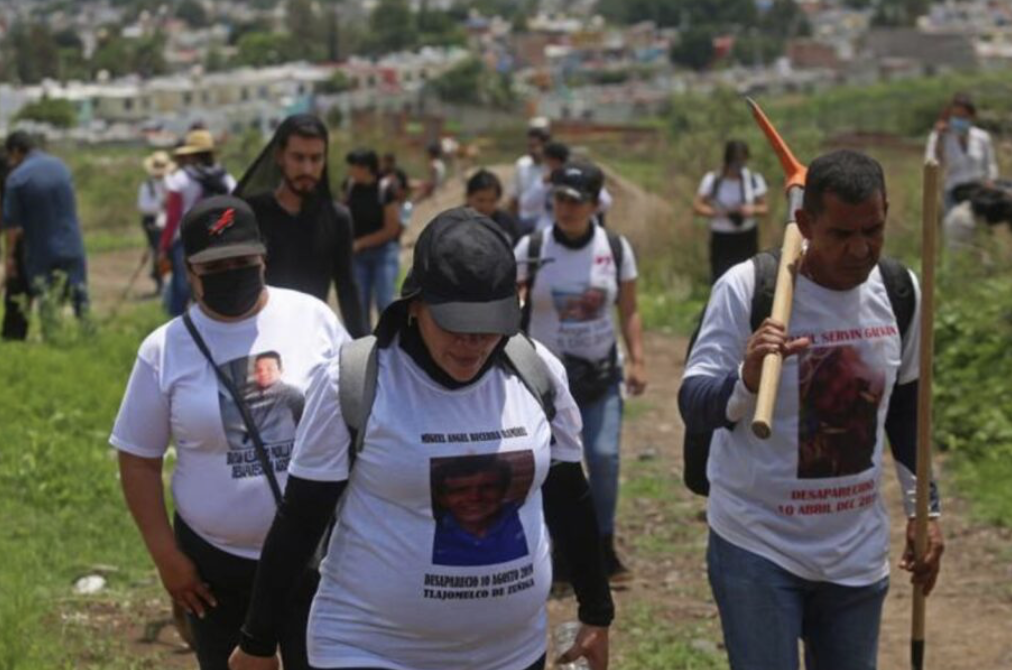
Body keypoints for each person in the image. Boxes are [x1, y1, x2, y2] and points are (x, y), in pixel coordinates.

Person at [228, 208, 613, 670]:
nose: (473, 342)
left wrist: (596, 613)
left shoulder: (537, 373)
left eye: (489, 324)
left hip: (510, 654)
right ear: (415, 304)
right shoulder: (355, 382)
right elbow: (300, 520)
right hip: (370, 649)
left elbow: (569, 498)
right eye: (455, 324)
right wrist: (257, 640)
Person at [679, 150, 945, 670]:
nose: (860, 248)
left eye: (873, 229)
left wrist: (924, 511)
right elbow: (693, 401)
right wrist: (747, 379)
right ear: (805, 222)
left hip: (855, 553)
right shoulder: (748, 288)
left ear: (886, 211)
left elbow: (908, 408)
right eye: (841, 234)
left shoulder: (899, 290)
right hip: (757, 544)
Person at [110, 195, 349, 670]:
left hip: (316, 557)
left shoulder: (312, 318)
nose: (232, 272)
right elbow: (138, 458)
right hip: (214, 569)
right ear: (190, 270)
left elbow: (354, 416)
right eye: (215, 265)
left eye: (242, 260)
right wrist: (166, 558)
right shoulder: (163, 350)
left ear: (263, 255)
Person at [515, 161, 647, 581]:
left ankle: (602, 544)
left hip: (601, 375)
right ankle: (559, 552)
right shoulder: (531, 248)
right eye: (560, 198)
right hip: (546, 384)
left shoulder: (616, 248)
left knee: (604, 458)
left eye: (576, 200)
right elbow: (509, 306)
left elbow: (629, 308)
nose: (566, 207)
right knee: (552, 465)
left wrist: (638, 359)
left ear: (594, 204)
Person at [236, 114, 367, 338]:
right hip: (258, 338)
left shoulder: (337, 219)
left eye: (316, 159)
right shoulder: (252, 214)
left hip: (310, 339)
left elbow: (347, 289)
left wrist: (365, 349)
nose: (307, 169)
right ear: (280, 157)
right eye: (298, 158)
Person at [1, 131, 89, 333]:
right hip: (72, 244)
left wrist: (10, 258)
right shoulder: (61, 166)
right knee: (80, 295)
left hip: (41, 249)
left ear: (15, 151)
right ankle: (89, 334)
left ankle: (54, 339)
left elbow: (12, 227)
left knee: (47, 298)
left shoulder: (17, 178)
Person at [159, 129, 237, 317]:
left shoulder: (180, 179)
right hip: (220, 241)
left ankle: (178, 331)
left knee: (182, 289)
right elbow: (234, 213)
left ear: (190, 155)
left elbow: (173, 217)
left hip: (186, 242)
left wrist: (163, 246)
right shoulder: (226, 179)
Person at [692, 140, 769, 284]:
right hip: (722, 239)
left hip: (747, 237)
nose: (738, 165)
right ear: (727, 159)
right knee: (721, 279)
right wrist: (717, 212)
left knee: (750, 280)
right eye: (735, 160)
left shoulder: (753, 179)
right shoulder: (713, 180)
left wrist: (751, 210)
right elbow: (697, 206)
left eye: (742, 160)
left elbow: (764, 208)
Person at [343, 148, 400, 326]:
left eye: (354, 166)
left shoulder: (384, 189)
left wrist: (362, 242)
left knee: (384, 302)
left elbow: (392, 229)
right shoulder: (350, 187)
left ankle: (389, 345)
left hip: (383, 254)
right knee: (360, 306)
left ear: (366, 168)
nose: (350, 170)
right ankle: (365, 349)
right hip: (359, 257)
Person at [925, 92, 999, 214]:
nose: (960, 120)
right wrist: (939, 138)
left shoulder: (982, 137)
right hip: (954, 191)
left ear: (972, 116)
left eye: (964, 116)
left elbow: (990, 164)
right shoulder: (939, 137)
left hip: (980, 187)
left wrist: (991, 181)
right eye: (956, 116)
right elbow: (931, 164)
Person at [138, 151, 174, 295]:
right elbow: (143, 207)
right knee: (159, 252)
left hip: (171, 221)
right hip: (153, 223)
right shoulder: (147, 186)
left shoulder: (173, 183)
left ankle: (167, 280)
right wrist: (161, 204)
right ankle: (161, 282)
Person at [466, 168, 529, 243]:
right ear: (468, 197)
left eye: (492, 201)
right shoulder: (456, 223)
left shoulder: (507, 223)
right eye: (481, 200)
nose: (486, 206)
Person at [508, 121, 552, 230]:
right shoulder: (521, 164)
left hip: (546, 223)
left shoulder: (552, 167)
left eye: (535, 146)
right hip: (523, 221)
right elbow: (514, 197)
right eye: (529, 146)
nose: (531, 151)